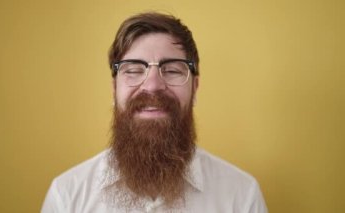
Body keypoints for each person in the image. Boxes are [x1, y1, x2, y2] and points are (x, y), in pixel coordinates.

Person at [41, 12, 268, 213]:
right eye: (133, 70)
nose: (152, 85)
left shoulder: (242, 197)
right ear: (114, 89)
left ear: (195, 88)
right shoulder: (66, 197)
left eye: (171, 70)